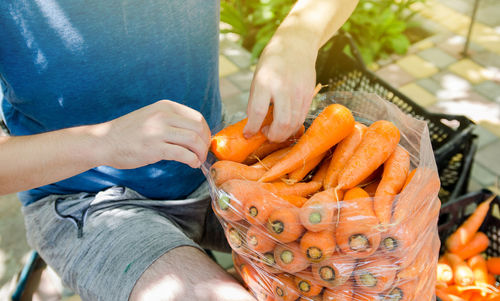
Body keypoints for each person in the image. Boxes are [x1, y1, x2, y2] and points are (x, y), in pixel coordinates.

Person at [0, 0, 358, 300]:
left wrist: (298, 36)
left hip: (216, 154)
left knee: (375, 257)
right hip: (83, 199)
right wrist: (103, 141)